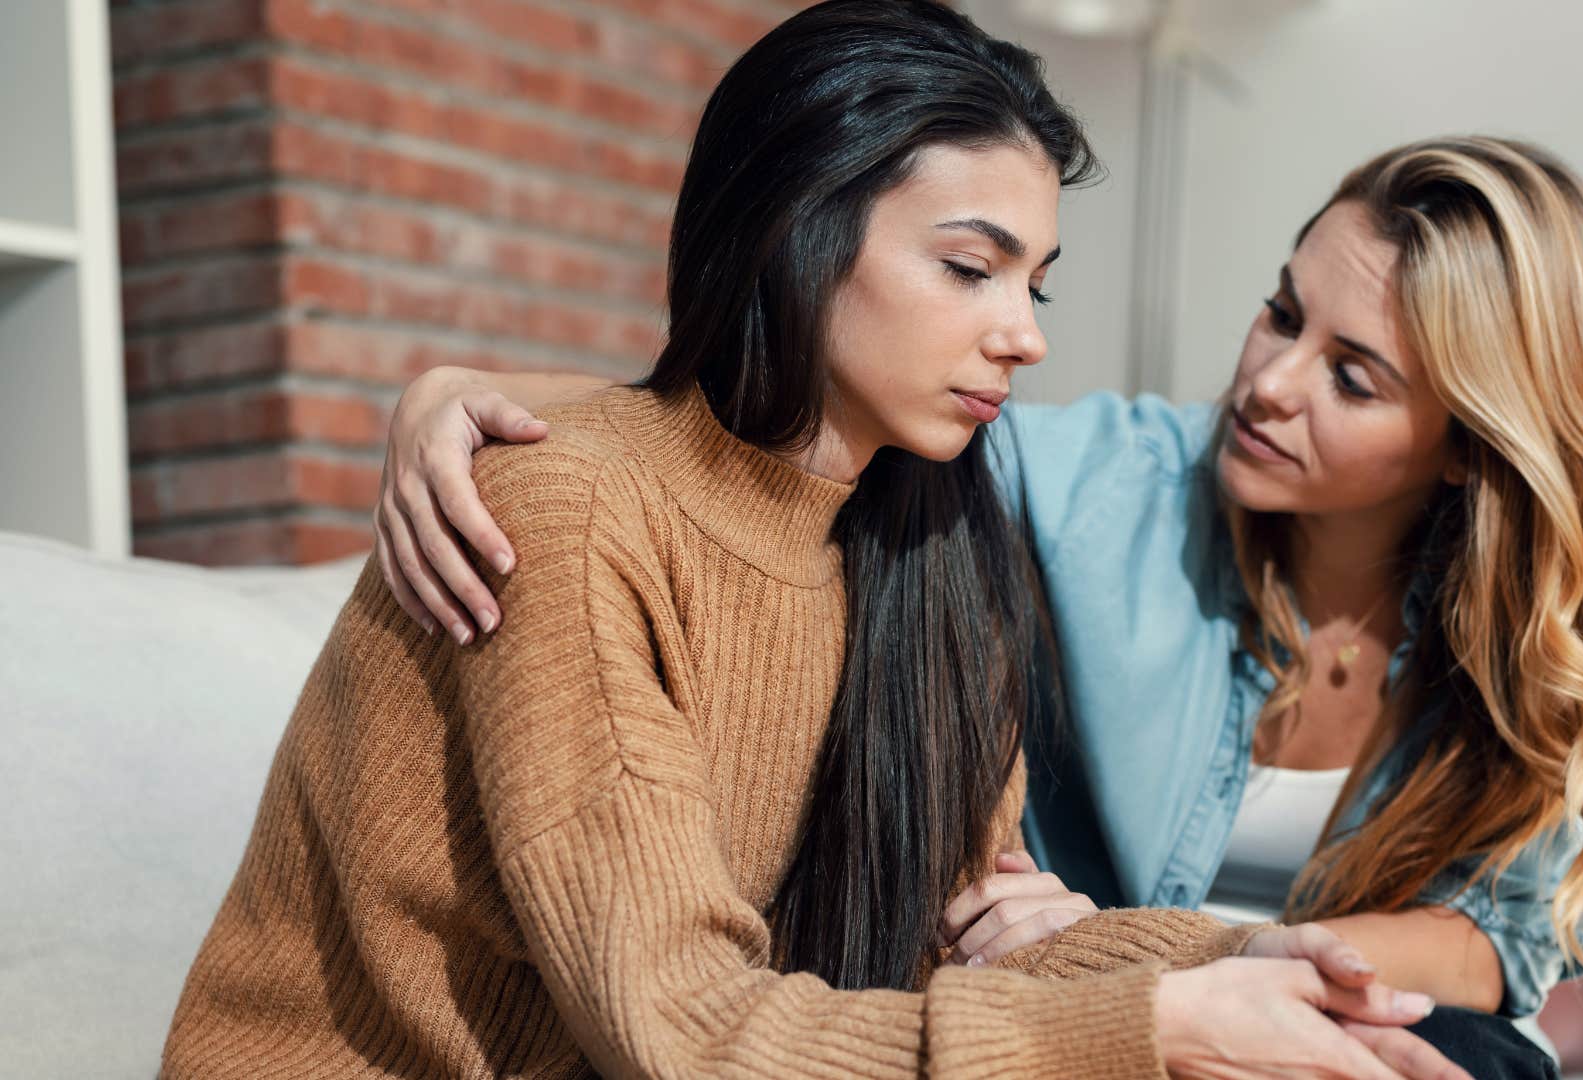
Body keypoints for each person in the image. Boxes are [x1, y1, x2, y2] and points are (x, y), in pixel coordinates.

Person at [162, 3, 1474, 1078]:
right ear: (799, 230)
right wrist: (1153, 1027)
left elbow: (965, 943)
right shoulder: (564, 515)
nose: (1026, 333)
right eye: (972, 268)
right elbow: (676, 1025)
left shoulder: (924, 546)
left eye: (1039, 281)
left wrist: (1230, 967)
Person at [384, 134, 1583, 1051]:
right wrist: (472, 398)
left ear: (1465, 445)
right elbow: (802, 442)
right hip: (1068, 1035)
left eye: (1355, 375)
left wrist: (1230, 957)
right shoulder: (1107, 486)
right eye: (1284, 313)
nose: (1269, 382)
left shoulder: (1516, 648)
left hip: (1256, 1012)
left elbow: (1501, 940)